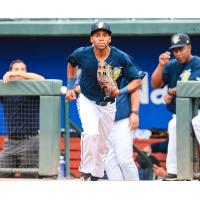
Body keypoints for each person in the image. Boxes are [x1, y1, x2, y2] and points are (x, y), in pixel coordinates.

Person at [66, 21, 144, 181]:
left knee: (102, 144)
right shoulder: (82, 53)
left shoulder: (120, 57)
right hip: (87, 100)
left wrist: (119, 91)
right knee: (90, 133)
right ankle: (86, 170)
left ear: (110, 39)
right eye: (97, 35)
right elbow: (71, 63)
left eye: (104, 35)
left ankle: (96, 173)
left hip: (109, 104)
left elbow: (137, 80)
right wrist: (70, 87)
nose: (101, 38)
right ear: (91, 39)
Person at [151, 33, 200, 180]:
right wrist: (160, 65)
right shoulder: (172, 65)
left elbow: (190, 87)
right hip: (181, 113)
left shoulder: (197, 63)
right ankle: (174, 171)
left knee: (197, 122)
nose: (178, 53)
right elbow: (155, 84)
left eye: (181, 49)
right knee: (173, 125)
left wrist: (171, 91)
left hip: (198, 110)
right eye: (175, 50)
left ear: (189, 47)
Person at [0, 59, 45, 178]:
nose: (19, 72)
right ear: (9, 73)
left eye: (22, 69)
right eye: (16, 69)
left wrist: (17, 74)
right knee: (2, 174)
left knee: (28, 178)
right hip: (11, 142)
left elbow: (42, 79)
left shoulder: (33, 88)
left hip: (30, 141)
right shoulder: (5, 89)